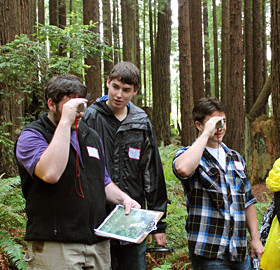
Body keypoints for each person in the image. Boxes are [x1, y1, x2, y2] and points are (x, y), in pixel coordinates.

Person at [15, 74, 140, 270]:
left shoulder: (91, 136)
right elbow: (50, 173)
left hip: (96, 245)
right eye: (71, 106)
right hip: (56, 245)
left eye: (81, 107)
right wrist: (65, 122)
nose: (78, 113)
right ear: (51, 103)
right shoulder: (32, 135)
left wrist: (124, 199)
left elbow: (103, 181)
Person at [83, 61, 168, 270]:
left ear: (135, 92)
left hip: (133, 218)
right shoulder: (90, 117)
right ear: (107, 83)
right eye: (115, 87)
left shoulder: (141, 122)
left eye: (126, 90)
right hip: (97, 218)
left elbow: (152, 173)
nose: (119, 95)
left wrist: (158, 225)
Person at [172, 97, 264, 270]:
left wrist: (255, 238)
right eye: (214, 122)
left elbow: (248, 200)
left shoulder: (235, 158)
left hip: (239, 250)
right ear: (199, 125)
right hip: (209, 251)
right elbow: (183, 169)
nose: (220, 127)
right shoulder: (188, 155)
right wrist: (206, 133)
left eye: (223, 121)